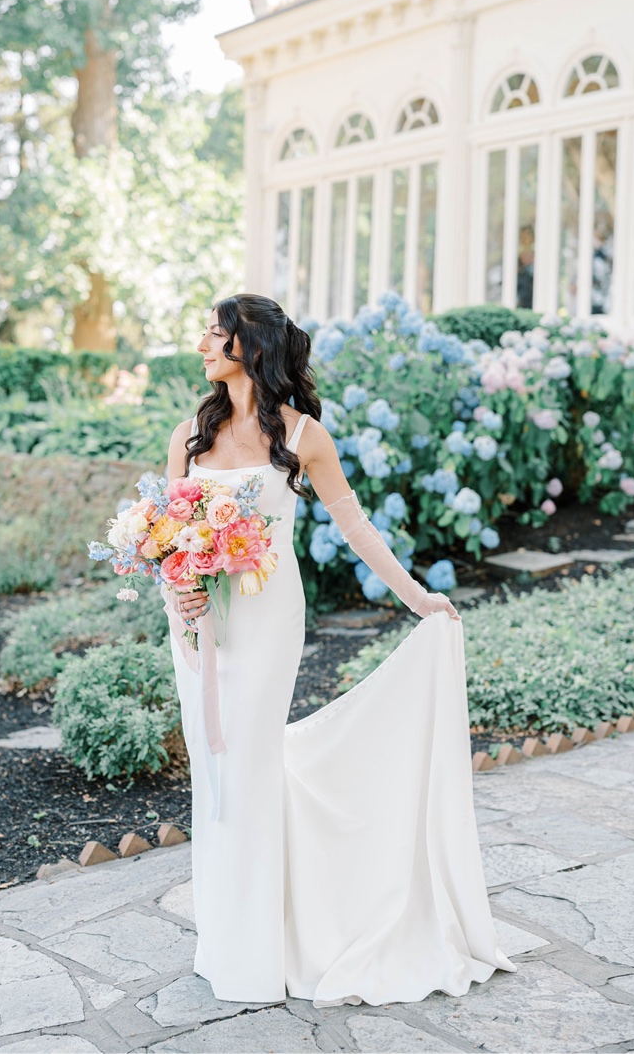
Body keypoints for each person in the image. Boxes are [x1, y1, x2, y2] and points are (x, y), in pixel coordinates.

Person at [162, 293, 514, 1005]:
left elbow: (353, 526)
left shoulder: (303, 434)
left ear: (249, 345)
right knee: (214, 770)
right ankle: (227, 936)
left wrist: (418, 598)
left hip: (267, 622)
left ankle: (263, 952)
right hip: (201, 627)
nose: (202, 341)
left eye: (215, 331)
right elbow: (169, 540)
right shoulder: (189, 438)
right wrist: (183, 598)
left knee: (252, 766)